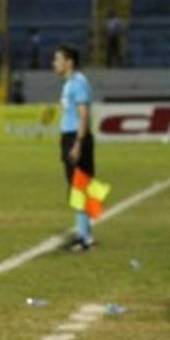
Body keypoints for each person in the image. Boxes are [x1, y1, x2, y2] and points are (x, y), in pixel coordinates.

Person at [55, 45, 96, 251]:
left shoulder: (77, 83)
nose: (55, 64)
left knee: (79, 186)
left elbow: (83, 115)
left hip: (75, 137)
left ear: (69, 62)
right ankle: (86, 232)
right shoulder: (71, 83)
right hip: (72, 136)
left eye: (58, 59)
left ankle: (84, 236)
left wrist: (78, 143)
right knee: (82, 185)